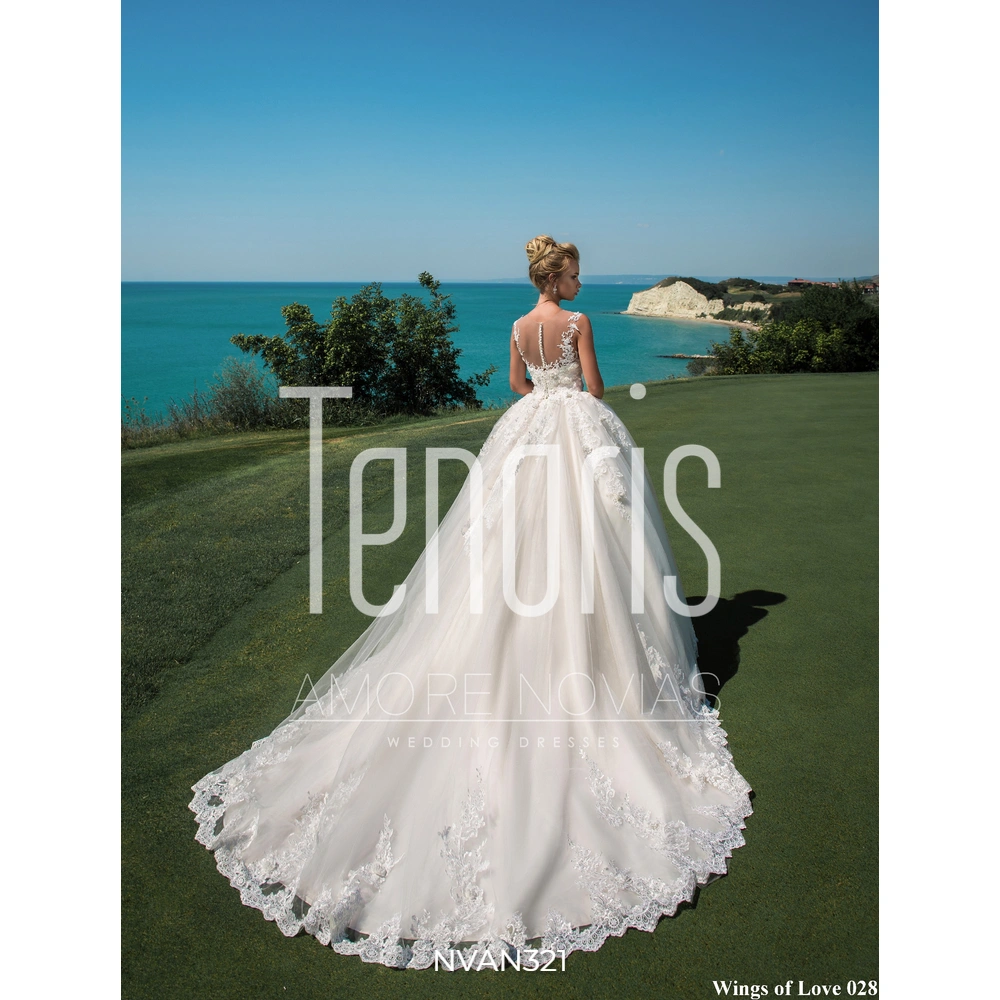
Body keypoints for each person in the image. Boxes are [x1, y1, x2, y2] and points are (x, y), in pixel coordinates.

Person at [190, 235, 752, 972]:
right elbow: (595, 388)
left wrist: (542, 399)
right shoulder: (579, 324)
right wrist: (572, 400)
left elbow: (518, 386)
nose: (580, 282)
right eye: (575, 272)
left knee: (506, 546)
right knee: (587, 544)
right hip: (576, 433)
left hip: (525, 433)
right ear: (557, 275)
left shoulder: (519, 326)